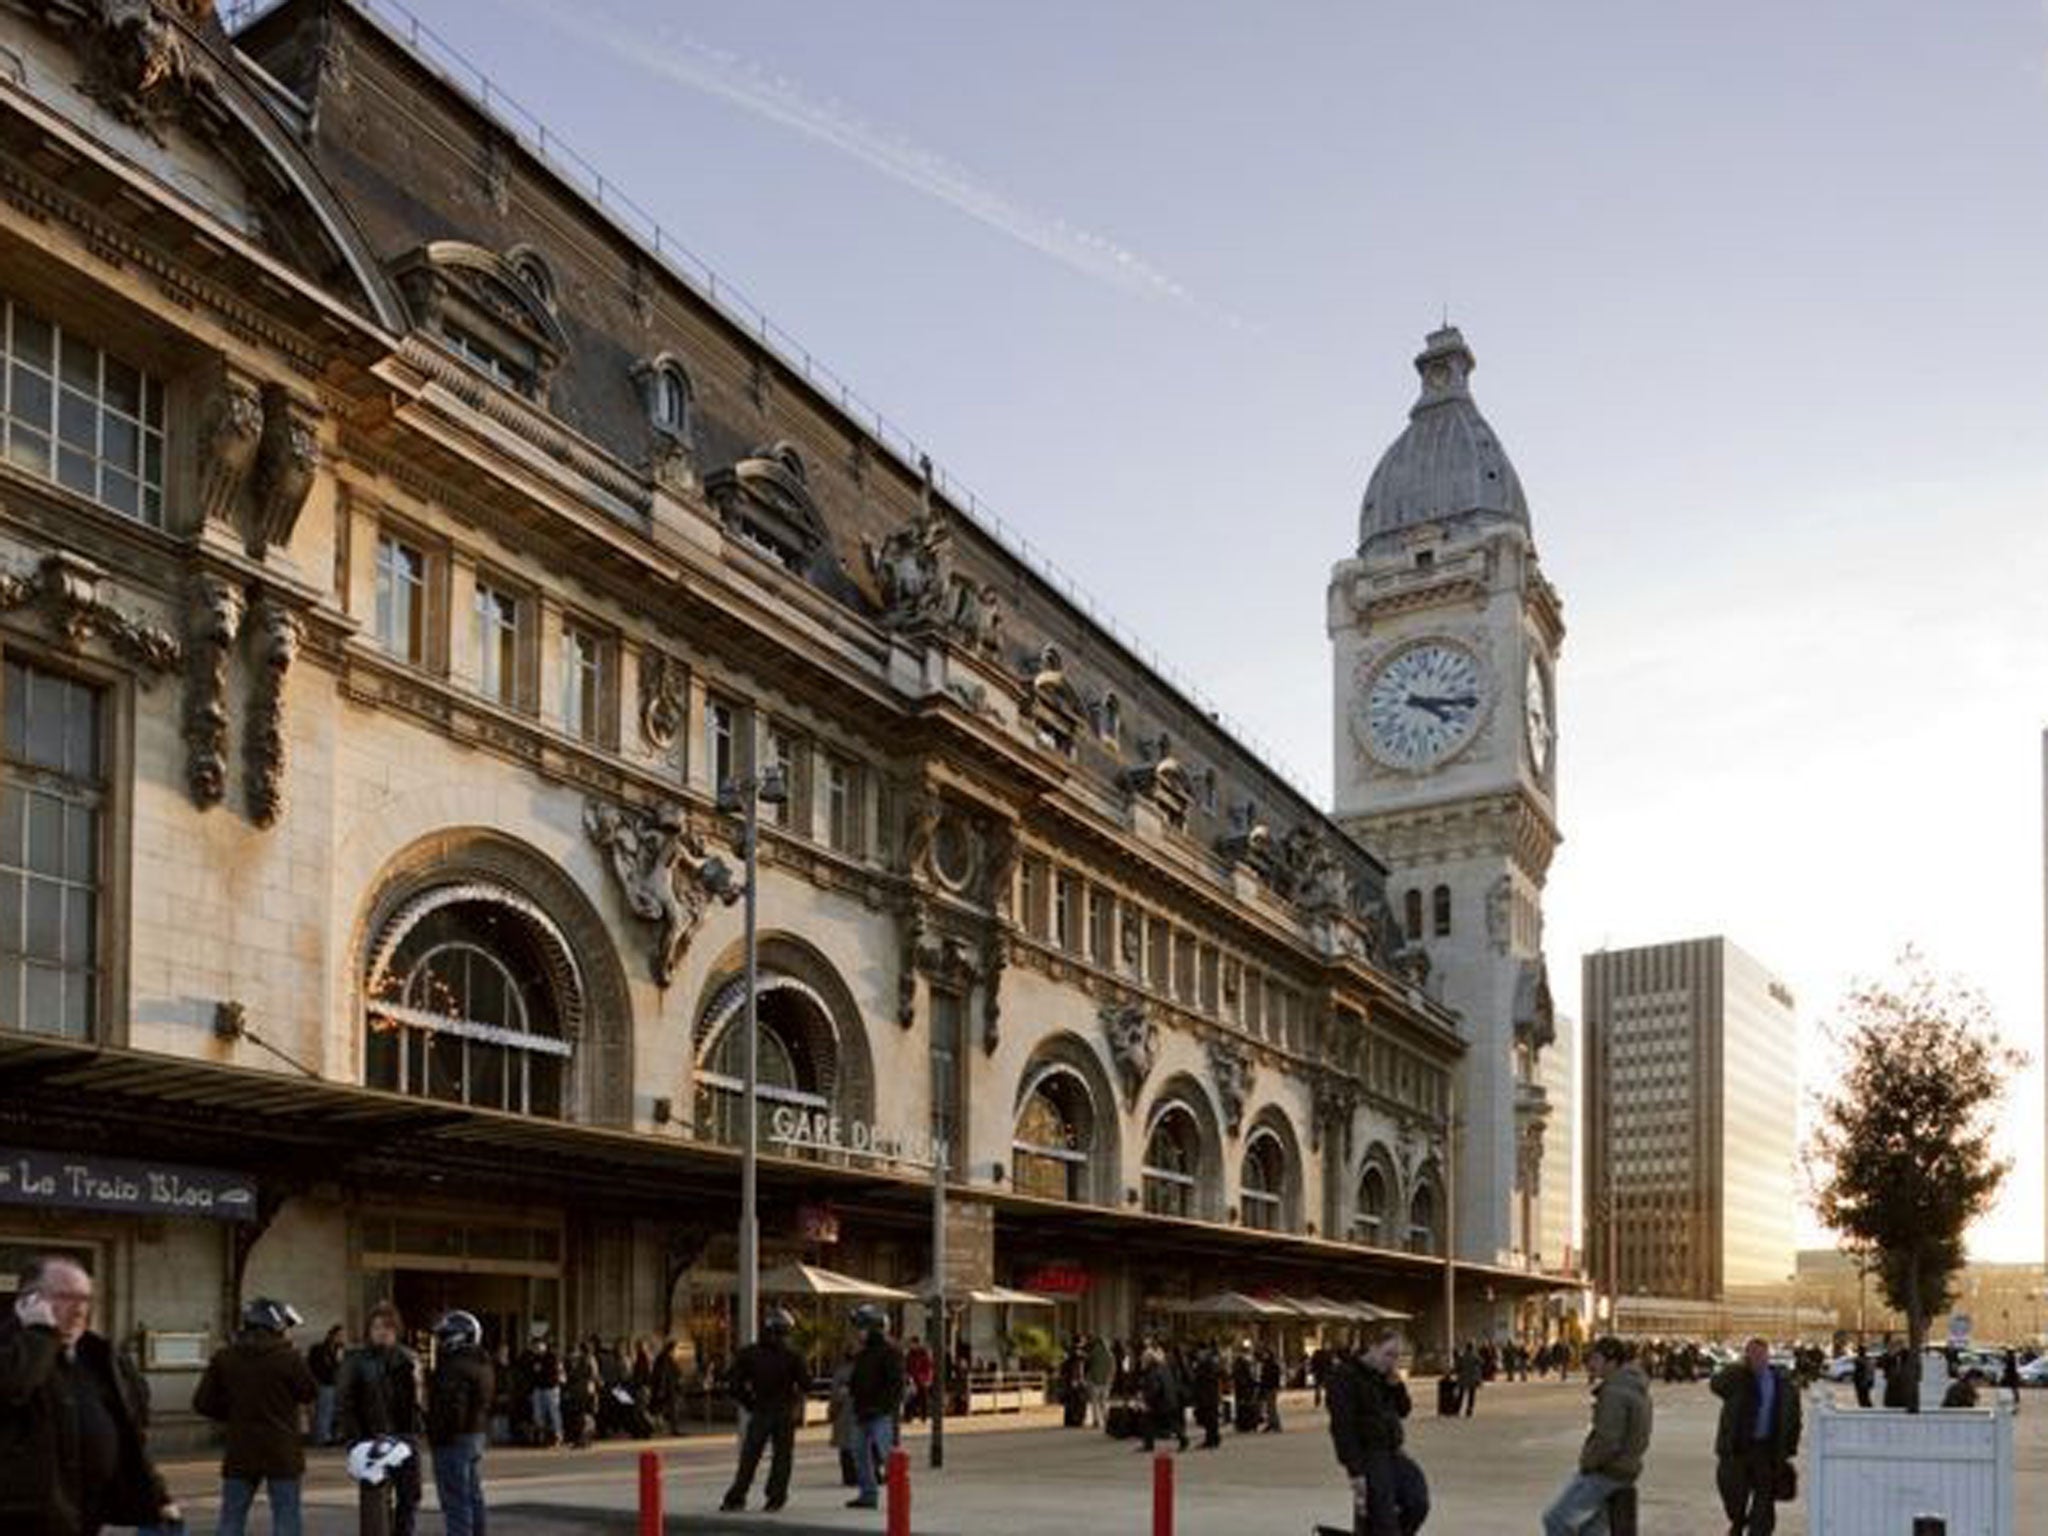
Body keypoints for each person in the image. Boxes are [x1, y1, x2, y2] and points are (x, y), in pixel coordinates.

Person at [1, 1254, 182, 1536]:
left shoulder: (98, 1355)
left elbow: (127, 1430)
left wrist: (156, 1494)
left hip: (85, 1517)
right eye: (65, 1297)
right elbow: (11, 1387)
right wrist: (39, 1334)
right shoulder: (11, 1349)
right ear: (29, 1302)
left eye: (85, 1299)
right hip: (21, 1521)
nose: (79, 1310)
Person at [193, 1296, 317, 1536]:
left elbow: (202, 1403)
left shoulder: (225, 1357)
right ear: (278, 1326)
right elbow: (309, 1392)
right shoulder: (289, 1358)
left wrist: (232, 1413)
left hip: (240, 1449)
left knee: (231, 1520)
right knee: (286, 1520)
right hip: (282, 1451)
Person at [1539, 1336, 1651, 1536]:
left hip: (1607, 1471)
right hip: (1626, 1469)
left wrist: (1588, 1462)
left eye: (1596, 1359)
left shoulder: (1616, 1391)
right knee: (1592, 1531)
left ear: (1612, 1361)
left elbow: (1607, 1440)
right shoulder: (1634, 1386)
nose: (1591, 1364)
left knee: (1555, 1519)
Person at [1326, 1329, 1429, 1536]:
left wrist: (1397, 1385)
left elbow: (1404, 1410)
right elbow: (1342, 1427)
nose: (1393, 1361)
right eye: (1389, 1354)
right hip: (1369, 1454)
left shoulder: (1385, 1377)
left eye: (1398, 1356)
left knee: (1418, 1502)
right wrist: (1355, 1471)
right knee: (1383, 1518)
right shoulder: (1345, 1376)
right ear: (1372, 1348)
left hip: (1393, 1450)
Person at [335, 1300, 424, 1536]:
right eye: (377, 1327)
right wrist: (354, 1440)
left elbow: (419, 1402)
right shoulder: (356, 1360)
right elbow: (344, 1402)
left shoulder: (408, 1358)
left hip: (405, 1438)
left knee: (410, 1496)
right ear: (369, 1330)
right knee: (376, 1502)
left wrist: (417, 1430)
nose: (383, 1332)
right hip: (370, 1438)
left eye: (388, 1327)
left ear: (397, 1330)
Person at [720, 1308, 807, 1514]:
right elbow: (806, 1383)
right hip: (783, 1409)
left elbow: (733, 1384)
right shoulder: (793, 1355)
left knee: (750, 1456)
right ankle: (775, 1498)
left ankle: (737, 1496)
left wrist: (749, 1402)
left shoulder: (749, 1353)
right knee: (782, 1456)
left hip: (761, 1408)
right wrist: (794, 1397)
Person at [1712, 1336, 1802, 1536]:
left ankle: (1758, 1531)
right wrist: (1737, 1368)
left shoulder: (1782, 1384)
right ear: (1746, 1356)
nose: (1757, 1359)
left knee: (1764, 1499)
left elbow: (1794, 1417)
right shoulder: (1737, 1378)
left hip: (1766, 1449)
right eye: (1752, 1355)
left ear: (1767, 1356)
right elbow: (1715, 1385)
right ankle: (1738, 1522)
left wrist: (1789, 1448)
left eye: (1761, 1355)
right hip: (1738, 1448)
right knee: (1733, 1495)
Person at [426, 1309, 494, 1536]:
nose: (440, 1342)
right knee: (472, 1495)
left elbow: (450, 1406)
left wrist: (438, 1434)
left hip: (453, 1439)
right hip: (474, 1434)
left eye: (444, 1336)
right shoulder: (482, 1362)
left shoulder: (453, 1366)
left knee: (455, 1500)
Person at [845, 1303, 905, 1509]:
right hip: (863, 1411)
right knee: (860, 1454)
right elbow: (857, 1379)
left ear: (872, 1328)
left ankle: (898, 1496)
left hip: (881, 1413)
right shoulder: (863, 1353)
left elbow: (896, 1384)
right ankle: (868, 1494)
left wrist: (886, 1406)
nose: (858, 1332)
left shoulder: (889, 1352)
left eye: (861, 1327)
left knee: (888, 1455)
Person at [1137, 1343, 1187, 1453]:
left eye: (1144, 1359)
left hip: (1161, 1402)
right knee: (1170, 1422)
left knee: (1148, 1421)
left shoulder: (1152, 1371)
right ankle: (1182, 1439)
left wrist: (1147, 1399)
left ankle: (1149, 1444)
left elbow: (1154, 1388)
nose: (1142, 1361)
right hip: (1168, 1400)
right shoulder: (1162, 1367)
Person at [522, 1335, 564, 1447]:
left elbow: (554, 1372)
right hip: (538, 1389)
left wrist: (542, 1371)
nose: (537, 1348)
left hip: (551, 1388)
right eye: (534, 1346)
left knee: (554, 1412)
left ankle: (557, 1435)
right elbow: (530, 1374)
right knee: (538, 1414)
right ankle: (541, 1436)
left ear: (544, 1345)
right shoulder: (533, 1358)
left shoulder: (552, 1357)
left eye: (539, 1345)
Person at [308, 1324, 345, 1447]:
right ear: (332, 1335)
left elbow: (341, 1368)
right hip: (324, 1383)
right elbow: (321, 1367)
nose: (341, 1338)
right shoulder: (320, 1349)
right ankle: (322, 1437)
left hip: (336, 1384)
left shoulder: (339, 1349)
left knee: (335, 1412)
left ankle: (331, 1436)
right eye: (339, 1335)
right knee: (324, 1411)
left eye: (342, 1336)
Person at [1191, 1341, 1223, 1449]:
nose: (1198, 1354)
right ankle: (1214, 1438)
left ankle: (1211, 1439)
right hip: (1211, 1394)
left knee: (1210, 1417)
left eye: (1199, 1352)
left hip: (1207, 1395)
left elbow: (1203, 1379)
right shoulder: (1212, 1362)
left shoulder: (1205, 1364)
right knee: (1211, 1417)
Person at [1084, 1334, 1114, 1429]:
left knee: (1094, 1402)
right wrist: (1110, 1378)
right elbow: (1113, 1368)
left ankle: (1096, 1421)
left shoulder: (1093, 1353)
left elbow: (1087, 1365)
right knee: (1104, 1401)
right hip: (1106, 1381)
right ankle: (1107, 1419)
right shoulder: (1110, 1354)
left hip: (1094, 1380)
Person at [1259, 1347, 1284, 1432]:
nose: (1264, 1356)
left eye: (1265, 1354)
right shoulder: (1266, 1364)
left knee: (1272, 1407)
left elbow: (1272, 1377)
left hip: (1270, 1387)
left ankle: (1276, 1424)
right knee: (1269, 1407)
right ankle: (1271, 1423)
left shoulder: (1271, 1365)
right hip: (1268, 1387)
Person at [1454, 1341, 1481, 1418]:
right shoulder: (1475, 1356)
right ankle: (1469, 1410)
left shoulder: (1462, 1356)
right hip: (1472, 1378)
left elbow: (1458, 1367)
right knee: (1471, 1395)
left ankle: (1458, 1409)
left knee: (1461, 1395)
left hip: (1463, 1378)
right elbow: (1481, 1363)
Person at [1850, 1345, 1873, 1410]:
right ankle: (1866, 1408)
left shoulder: (1861, 1360)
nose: (1858, 1352)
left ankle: (1867, 1409)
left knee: (1863, 1397)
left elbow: (1866, 1371)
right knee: (1863, 1397)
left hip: (1862, 1381)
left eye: (1859, 1350)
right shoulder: (1865, 1359)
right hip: (1861, 1381)